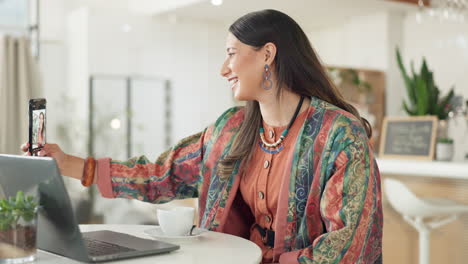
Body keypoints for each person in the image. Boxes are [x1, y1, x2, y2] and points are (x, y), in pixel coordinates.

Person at [22, 9, 382, 264]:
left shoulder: (339, 135)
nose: (223, 69)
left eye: (231, 54)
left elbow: (351, 245)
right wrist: (67, 163)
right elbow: (162, 175)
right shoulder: (230, 129)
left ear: (268, 54)